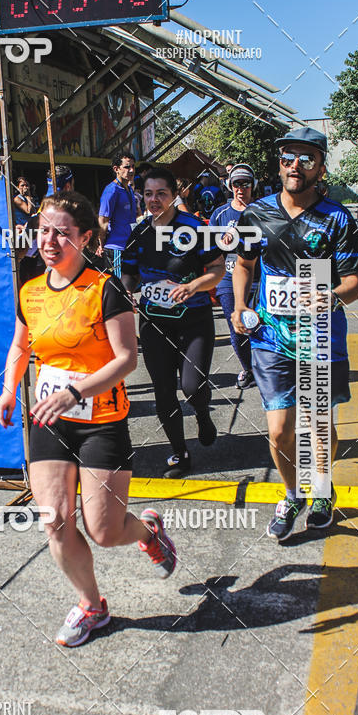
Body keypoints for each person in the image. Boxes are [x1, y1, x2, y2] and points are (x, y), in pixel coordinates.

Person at [0, 191, 176, 647]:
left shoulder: (105, 289)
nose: (50, 240)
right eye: (43, 231)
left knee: (104, 530)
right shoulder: (31, 290)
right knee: (53, 520)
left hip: (102, 420)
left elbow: (126, 359)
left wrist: (75, 391)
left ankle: (150, 531)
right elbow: (21, 347)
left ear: (86, 239)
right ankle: (92, 606)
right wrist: (8, 390)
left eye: (62, 233)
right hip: (48, 420)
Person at [231, 127, 358, 540]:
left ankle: (322, 490)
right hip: (271, 335)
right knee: (279, 429)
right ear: (280, 163)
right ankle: (291, 495)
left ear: (320, 167)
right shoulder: (256, 214)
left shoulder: (337, 217)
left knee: (318, 425)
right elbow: (244, 265)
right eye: (288, 157)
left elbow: (354, 283)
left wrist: (327, 298)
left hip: (318, 336)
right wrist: (240, 306)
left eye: (306, 159)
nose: (295, 166)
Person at [122, 168, 225, 479]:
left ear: (174, 194)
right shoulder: (139, 232)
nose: (154, 200)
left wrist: (193, 287)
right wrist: (127, 290)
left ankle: (203, 413)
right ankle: (179, 453)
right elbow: (128, 272)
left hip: (194, 319)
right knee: (163, 391)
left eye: (161, 194)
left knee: (192, 387)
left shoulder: (194, 228)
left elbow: (218, 269)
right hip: (155, 321)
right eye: (149, 194)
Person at [209, 164, 258, 390]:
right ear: (229, 186)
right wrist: (222, 239)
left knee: (263, 326)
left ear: (253, 186)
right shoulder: (219, 214)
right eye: (236, 183)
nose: (241, 188)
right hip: (229, 278)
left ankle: (265, 368)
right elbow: (209, 249)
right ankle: (248, 369)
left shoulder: (265, 210)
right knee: (236, 325)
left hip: (260, 277)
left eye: (245, 183)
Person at [98, 151, 139, 276]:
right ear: (116, 169)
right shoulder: (111, 191)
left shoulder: (129, 188)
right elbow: (103, 221)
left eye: (133, 166)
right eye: (127, 167)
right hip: (116, 248)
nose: (131, 170)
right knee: (119, 288)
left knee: (130, 286)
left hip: (130, 246)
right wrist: (101, 245)